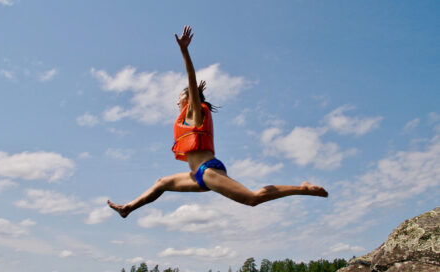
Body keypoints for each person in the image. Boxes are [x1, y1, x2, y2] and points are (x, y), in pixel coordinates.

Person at [108, 26, 328, 219]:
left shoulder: (195, 110)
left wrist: (185, 52)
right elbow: (193, 94)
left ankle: (303, 188)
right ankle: (127, 208)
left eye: (180, 97)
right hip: (196, 176)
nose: (177, 101)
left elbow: (191, 80)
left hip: (207, 171)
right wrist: (198, 93)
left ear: (189, 98)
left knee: (252, 198)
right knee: (161, 183)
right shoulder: (191, 113)